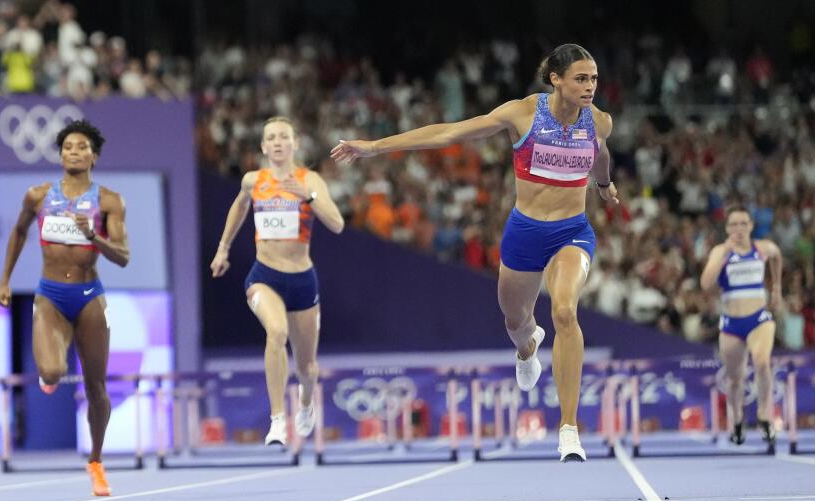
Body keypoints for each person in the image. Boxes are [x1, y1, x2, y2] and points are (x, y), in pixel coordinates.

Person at [332, 44, 619, 462]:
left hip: (571, 233)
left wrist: (604, 183)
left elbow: (601, 154)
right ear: (556, 79)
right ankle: (526, 347)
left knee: (564, 312)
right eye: (581, 78)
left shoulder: (599, 121)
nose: (590, 86)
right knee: (515, 318)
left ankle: (569, 429)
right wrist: (375, 147)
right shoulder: (520, 114)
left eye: (593, 78)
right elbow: (448, 133)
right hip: (524, 233)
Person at [0, 120, 129, 496]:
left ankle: (96, 461)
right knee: (52, 372)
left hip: (89, 296)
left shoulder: (109, 201)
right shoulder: (38, 195)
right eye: (67, 146)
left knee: (96, 387)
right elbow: (20, 231)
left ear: (94, 155)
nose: (73, 151)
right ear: (60, 154)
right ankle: (49, 373)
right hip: (50, 295)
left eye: (81, 146)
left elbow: (123, 256)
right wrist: (5, 280)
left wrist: (94, 236)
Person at [210, 117, 344, 446]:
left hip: (301, 281)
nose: (278, 142)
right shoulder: (253, 181)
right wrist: (222, 248)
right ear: (264, 147)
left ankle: (307, 401)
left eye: (284, 136)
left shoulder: (309, 178)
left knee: (307, 367)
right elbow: (239, 208)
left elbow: (338, 224)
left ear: (295, 143)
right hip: (264, 276)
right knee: (276, 332)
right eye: (271, 137)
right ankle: (277, 420)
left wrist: (308, 196)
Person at [700, 206, 782, 445]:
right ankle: (737, 420)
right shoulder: (720, 251)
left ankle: (765, 416)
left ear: (751, 226)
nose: (738, 229)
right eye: (733, 224)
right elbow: (706, 283)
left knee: (762, 362)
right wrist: (724, 251)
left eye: (743, 224)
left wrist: (776, 287)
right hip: (731, 323)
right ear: (727, 228)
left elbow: (777, 256)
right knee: (735, 379)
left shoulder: (762, 248)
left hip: (759, 319)